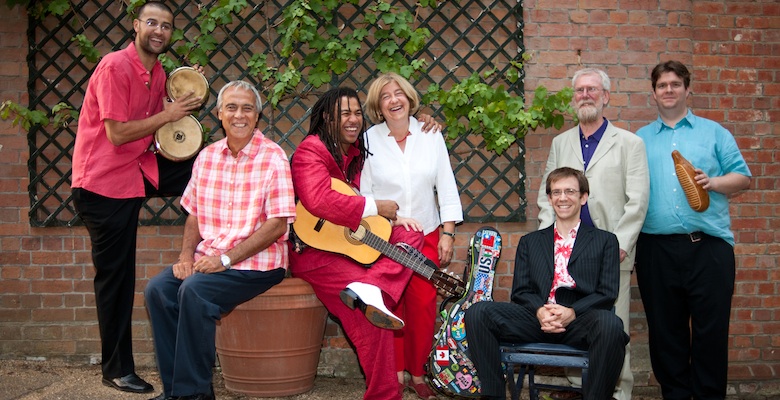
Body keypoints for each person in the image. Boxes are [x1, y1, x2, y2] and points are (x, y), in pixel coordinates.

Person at [70, 1, 205, 393]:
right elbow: (116, 134)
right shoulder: (114, 66)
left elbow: (172, 117)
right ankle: (115, 369)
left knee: (204, 171)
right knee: (116, 278)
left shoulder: (158, 72)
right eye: (152, 22)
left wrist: (188, 87)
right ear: (136, 26)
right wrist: (169, 113)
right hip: (102, 184)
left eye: (166, 25)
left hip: (136, 170)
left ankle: (230, 235)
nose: (159, 30)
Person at [144, 80, 296, 400]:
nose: (239, 114)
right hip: (210, 260)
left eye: (247, 108)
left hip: (258, 264)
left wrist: (226, 260)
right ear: (219, 114)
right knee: (158, 290)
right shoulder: (207, 157)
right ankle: (176, 391)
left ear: (257, 116)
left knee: (195, 292)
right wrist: (186, 258)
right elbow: (194, 215)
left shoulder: (274, 158)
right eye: (231, 107)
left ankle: (194, 393)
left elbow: (278, 225)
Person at [290, 87, 431, 400]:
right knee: (369, 320)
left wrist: (421, 122)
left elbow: (398, 141)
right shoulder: (310, 151)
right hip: (316, 253)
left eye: (357, 113)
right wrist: (376, 208)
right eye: (344, 113)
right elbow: (318, 200)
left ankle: (372, 289)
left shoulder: (354, 154)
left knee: (412, 234)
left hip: (351, 247)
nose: (353, 119)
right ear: (327, 118)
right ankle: (384, 394)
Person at [635, 60, 751, 400]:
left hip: (709, 249)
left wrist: (712, 182)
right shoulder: (639, 140)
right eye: (662, 85)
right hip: (656, 250)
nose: (668, 90)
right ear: (653, 93)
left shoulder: (714, 133)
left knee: (710, 332)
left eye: (675, 84)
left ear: (688, 88)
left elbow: (743, 178)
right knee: (665, 334)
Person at [465, 167, 629, 400]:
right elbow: (520, 292)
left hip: (580, 321)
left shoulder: (605, 241)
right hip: (535, 319)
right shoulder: (530, 242)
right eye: (557, 192)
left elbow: (607, 292)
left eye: (570, 191)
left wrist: (572, 312)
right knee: (478, 313)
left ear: (583, 197)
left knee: (611, 324)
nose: (563, 198)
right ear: (550, 199)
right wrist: (541, 311)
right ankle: (493, 395)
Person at [537, 68, 649, 400]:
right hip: (565, 256)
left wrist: (620, 246)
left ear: (606, 97)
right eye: (580, 90)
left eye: (593, 89)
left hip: (612, 256)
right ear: (574, 99)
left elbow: (638, 200)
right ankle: (579, 388)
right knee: (571, 323)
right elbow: (548, 198)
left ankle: (618, 392)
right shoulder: (561, 143)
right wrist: (546, 244)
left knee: (614, 329)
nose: (586, 95)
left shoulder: (630, 143)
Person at [361, 72, 463, 400]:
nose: (393, 100)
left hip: (428, 234)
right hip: (386, 236)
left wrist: (448, 233)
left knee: (422, 304)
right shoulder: (368, 141)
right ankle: (396, 372)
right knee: (391, 304)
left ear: (409, 98)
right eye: (385, 96)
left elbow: (446, 185)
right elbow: (363, 193)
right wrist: (389, 216)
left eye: (398, 93)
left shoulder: (430, 134)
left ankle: (418, 374)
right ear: (378, 106)